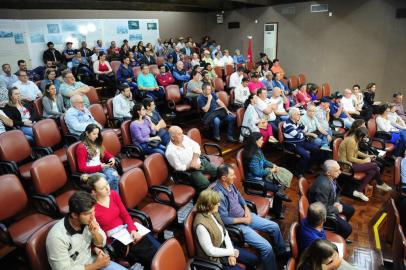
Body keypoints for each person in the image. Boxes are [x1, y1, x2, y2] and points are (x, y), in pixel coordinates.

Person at [213, 164, 289, 270]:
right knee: (266, 247)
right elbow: (224, 220)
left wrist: (246, 209)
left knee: (274, 226)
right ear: (224, 178)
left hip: (246, 216)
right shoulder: (218, 194)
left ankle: (281, 253)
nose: (235, 177)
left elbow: (239, 196)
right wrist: (244, 219)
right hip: (237, 225)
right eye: (232, 175)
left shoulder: (230, 184)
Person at [88, 175, 161, 268]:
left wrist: (132, 230)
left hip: (126, 231)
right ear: (94, 192)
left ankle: (161, 261)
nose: (107, 188)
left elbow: (125, 214)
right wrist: (96, 249)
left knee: (152, 243)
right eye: (102, 188)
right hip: (114, 241)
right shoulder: (92, 209)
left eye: (107, 184)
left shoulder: (113, 194)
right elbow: (92, 236)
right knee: (148, 253)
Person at [46, 191, 127, 270]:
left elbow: (101, 243)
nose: (93, 217)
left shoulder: (89, 219)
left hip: (94, 261)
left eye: (93, 211)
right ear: (74, 215)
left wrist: (95, 234)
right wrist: (96, 265)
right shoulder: (57, 238)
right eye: (88, 213)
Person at [193, 189, 258, 269]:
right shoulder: (201, 225)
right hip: (215, 259)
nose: (219, 204)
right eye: (216, 203)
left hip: (225, 248)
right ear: (209, 205)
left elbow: (225, 232)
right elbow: (210, 251)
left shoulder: (213, 213)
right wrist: (231, 252)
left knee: (253, 259)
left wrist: (231, 253)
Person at [243, 132, 292, 217]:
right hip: (255, 180)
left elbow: (264, 161)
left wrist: (273, 165)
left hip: (261, 176)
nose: (263, 141)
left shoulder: (257, 150)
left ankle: (277, 209)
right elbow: (257, 172)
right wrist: (271, 171)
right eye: (261, 140)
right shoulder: (253, 156)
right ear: (255, 141)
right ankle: (277, 212)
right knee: (277, 187)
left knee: (279, 184)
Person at [338, 128, 392, 201]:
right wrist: (364, 161)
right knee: (375, 165)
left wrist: (368, 156)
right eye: (365, 137)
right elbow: (350, 158)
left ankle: (359, 191)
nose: (366, 139)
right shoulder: (351, 141)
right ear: (360, 136)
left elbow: (357, 152)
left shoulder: (355, 139)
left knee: (373, 171)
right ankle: (380, 183)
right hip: (347, 165)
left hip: (352, 163)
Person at [308, 160, 354, 239]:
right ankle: (338, 239)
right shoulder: (323, 186)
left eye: (339, 169)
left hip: (330, 203)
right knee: (348, 229)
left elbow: (335, 192)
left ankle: (339, 230)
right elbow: (321, 208)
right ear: (328, 172)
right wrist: (336, 209)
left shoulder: (331, 177)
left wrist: (336, 202)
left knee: (351, 210)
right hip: (323, 212)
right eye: (337, 170)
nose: (340, 172)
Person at [166, 126, 217, 192]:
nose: (182, 135)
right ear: (172, 137)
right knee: (205, 184)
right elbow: (178, 167)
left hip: (199, 161)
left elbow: (196, 146)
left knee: (216, 172)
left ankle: (213, 192)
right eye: (179, 134)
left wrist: (194, 160)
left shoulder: (185, 138)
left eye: (182, 133)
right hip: (189, 171)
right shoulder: (170, 152)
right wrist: (191, 165)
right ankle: (201, 197)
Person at [77, 124, 120, 192]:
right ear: (87, 133)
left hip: (100, 167)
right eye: (94, 134)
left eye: (97, 134)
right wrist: (100, 167)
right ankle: (110, 197)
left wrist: (111, 158)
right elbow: (82, 168)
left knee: (114, 175)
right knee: (105, 179)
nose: (96, 136)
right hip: (90, 172)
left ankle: (113, 197)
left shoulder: (96, 142)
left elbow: (105, 153)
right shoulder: (81, 147)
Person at [283, 107, 324, 177]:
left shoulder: (297, 121)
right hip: (293, 144)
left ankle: (308, 167)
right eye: (298, 114)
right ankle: (298, 172)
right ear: (293, 116)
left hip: (302, 142)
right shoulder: (288, 124)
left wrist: (301, 129)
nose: (300, 116)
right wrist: (302, 133)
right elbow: (298, 136)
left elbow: (305, 129)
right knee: (306, 155)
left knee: (316, 149)